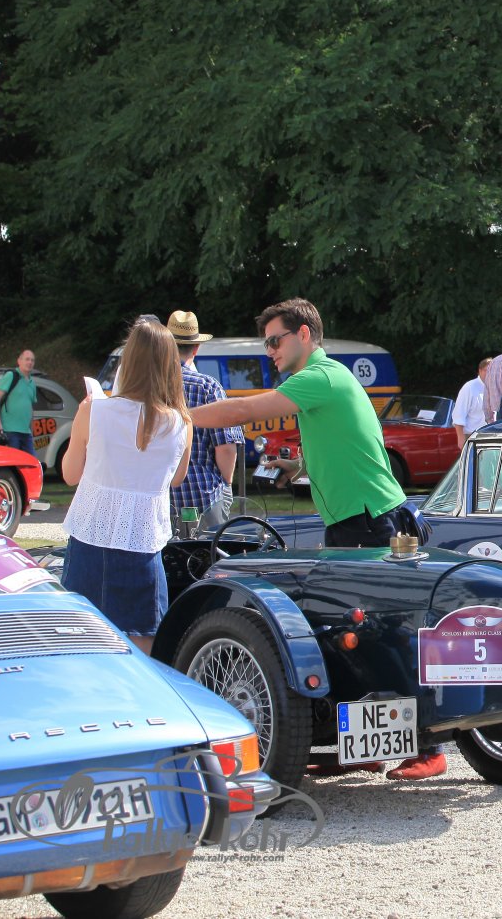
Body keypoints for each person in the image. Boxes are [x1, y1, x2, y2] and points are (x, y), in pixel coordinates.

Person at [189, 297, 440, 781]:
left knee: (388, 634)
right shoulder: (326, 380)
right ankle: (366, 745)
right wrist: (297, 467)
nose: (270, 351)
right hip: (360, 518)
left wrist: (180, 415)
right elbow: (346, 446)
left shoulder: (318, 377)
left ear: (304, 335)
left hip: (369, 519)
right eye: (266, 343)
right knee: (356, 637)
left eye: (275, 341)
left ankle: (427, 746)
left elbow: (244, 410)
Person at [60, 319, 191, 654]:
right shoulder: (181, 423)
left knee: (82, 642)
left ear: (128, 361)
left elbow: (70, 474)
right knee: (144, 646)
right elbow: (176, 478)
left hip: (90, 538)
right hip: (143, 543)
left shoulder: (94, 410)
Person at [167, 310, 242, 525]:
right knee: (210, 547)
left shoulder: (148, 387)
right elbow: (226, 447)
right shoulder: (208, 387)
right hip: (205, 494)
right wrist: (226, 484)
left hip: (160, 496)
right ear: (196, 347)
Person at [0, 349, 40, 459]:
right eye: (27, 359)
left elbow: (30, 407)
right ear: (19, 361)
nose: (30, 362)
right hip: (10, 430)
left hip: (26, 432)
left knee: (31, 461)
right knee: (14, 461)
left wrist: (31, 430)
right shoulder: (11, 376)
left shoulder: (32, 383)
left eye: (32, 360)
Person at [452, 357, 490, 451]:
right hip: (472, 437)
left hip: (490, 435)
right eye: (487, 370)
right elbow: (458, 415)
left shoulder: (494, 387)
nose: (490, 373)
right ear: (480, 371)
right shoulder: (469, 387)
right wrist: (461, 438)